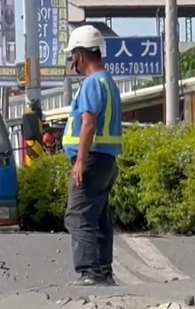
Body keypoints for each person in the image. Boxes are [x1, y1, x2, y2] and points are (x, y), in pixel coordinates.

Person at [61, 25, 122, 286]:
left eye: (72, 55)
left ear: (80, 55)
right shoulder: (108, 82)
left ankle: (90, 271)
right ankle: (103, 270)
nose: (72, 61)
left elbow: (88, 123)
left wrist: (81, 161)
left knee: (78, 216)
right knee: (98, 217)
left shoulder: (92, 84)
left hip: (92, 159)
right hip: (106, 160)